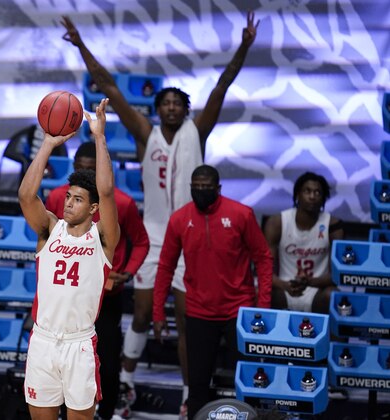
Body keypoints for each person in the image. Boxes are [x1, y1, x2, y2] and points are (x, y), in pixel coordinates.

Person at [61, 12, 260, 415]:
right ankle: (128, 385)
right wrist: (82, 46)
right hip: (154, 232)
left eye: (177, 103)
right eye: (164, 103)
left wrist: (244, 46)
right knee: (140, 310)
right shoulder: (144, 133)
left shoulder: (197, 130)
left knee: (189, 319)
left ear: (186, 109)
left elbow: (222, 84)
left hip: (192, 231)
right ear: (157, 110)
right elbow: (110, 87)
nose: (170, 107)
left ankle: (190, 395)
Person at [19, 98, 120, 420]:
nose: (70, 204)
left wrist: (99, 137)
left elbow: (106, 192)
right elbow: (25, 196)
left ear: (92, 209)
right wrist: (48, 144)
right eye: (68, 197)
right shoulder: (50, 229)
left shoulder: (103, 238)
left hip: (79, 345)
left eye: (78, 199)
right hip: (43, 340)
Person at [152, 165, 272, 419]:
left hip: (239, 312)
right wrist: (158, 312)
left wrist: (263, 306)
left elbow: (263, 257)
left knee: (248, 382)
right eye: (196, 187)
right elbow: (165, 267)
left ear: (218, 189)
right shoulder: (180, 219)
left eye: (207, 187)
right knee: (197, 386)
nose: (201, 191)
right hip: (199, 312)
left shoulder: (241, 214)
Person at [45, 141, 149, 420]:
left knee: (106, 362)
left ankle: (107, 412)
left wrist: (126, 272)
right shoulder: (58, 198)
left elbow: (141, 242)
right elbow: (46, 245)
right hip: (66, 299)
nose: (87, 174)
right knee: (62, 361)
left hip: (106, 298)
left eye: (93, 170)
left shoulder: (122, 204)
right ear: (74, 168)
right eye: (81, 168)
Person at [263, 172, 344, 313]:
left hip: (316, 289)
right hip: (284, 288)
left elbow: (337, 274)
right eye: (307, 191)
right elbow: (265, 269)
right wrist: (284, 285)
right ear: (297, 195)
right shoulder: (277, 222)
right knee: (259, 291)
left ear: (323, 198)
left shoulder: (333, 225)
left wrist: (310, 282)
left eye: (317, 192)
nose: (312, 196)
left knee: (334, 296)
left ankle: (333, 335)